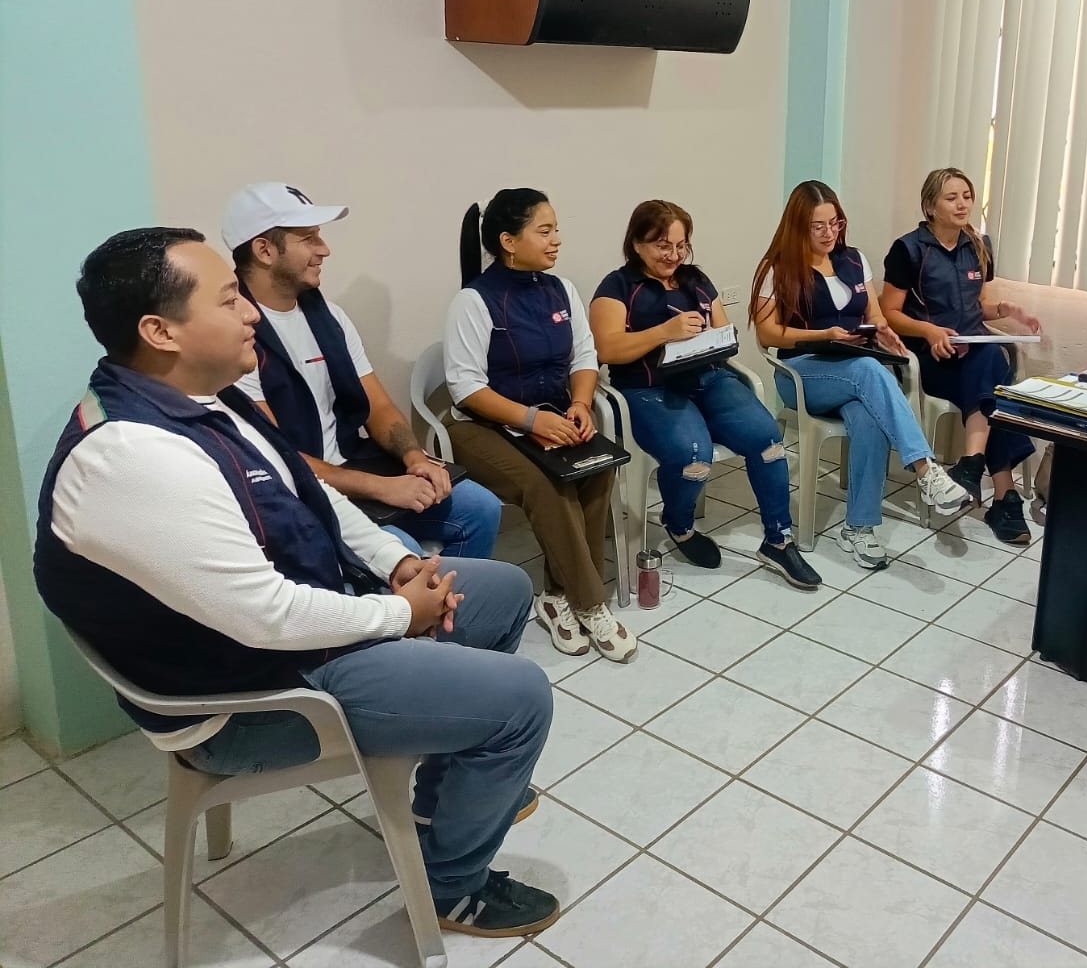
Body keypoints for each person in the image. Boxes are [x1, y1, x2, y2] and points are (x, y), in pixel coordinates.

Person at [33, 228, 559, 937]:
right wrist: (399, 614)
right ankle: (452, 890)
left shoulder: (204, 396)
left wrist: (394, 564)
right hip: (252, 697)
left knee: (502, 593)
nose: (251, 311)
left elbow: (311, 495)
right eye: (228, 300)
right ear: (160, 331)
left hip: (299, 626)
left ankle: (440, 799)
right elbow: (267, 617)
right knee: (521, 700)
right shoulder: (134, 456)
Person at [224, 182, 502, 560]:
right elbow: (276, 456)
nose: (324, 249)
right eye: (308, 238)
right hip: (301, 490)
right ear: (264, 250)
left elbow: (379, 408)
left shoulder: (330, 317)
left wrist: (415, 459)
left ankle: (455, 598)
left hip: (357, 463)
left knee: (481, 508)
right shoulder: (237, 337)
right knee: (401, 550)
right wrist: (379, 487)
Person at [443, 189, 636, 664]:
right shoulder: (474, 301)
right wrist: (531, 420)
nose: (556, 240)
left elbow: (584, 356)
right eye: (544, 231)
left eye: (556, 229)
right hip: (482, 427)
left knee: (596, 470)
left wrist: (581, 404)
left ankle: (555, 597)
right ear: (509, 241)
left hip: (554, 416)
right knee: (546, 486)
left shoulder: (561, 290)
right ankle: (590, 602)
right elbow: (465, 388)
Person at [591, 200, 822, 590]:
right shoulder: (617, 287)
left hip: (709, 379)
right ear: (637, 243)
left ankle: (778, 541)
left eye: (681, 246)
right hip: (648, 388)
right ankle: (679, 526)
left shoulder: (695, 280)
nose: (674, 255)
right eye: (663, 246)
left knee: (768, 440)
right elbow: (607, 349)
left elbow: (725, 333)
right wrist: (665, 333)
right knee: (693, 455)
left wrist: (710, 339)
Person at [751, 181, 972, 569]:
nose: (829, 233)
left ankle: (859, 528)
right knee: (868, 370)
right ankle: (925, 469)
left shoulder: (853, 260)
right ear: (798, 226)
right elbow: (767, 334)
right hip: (801, 373)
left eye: (835, 223)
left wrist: (883, 332)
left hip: (852, 366)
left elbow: (874, 315)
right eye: (818, 226)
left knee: (869, 416)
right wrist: (824, 335)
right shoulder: (777, 267)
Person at [880, 168, 1042, 545]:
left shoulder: (978, 245)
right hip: (931, 359)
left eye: (967, 196)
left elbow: (975, 307)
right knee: (996, 380)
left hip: (973, 357)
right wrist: (929, 331)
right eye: (951, 197)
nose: (962, 204)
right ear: (930, 206)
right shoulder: (908, 249)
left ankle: (975, 469)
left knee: (990, 368)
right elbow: (889, 313)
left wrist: (1006, 310)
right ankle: (1003, 497)